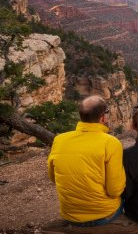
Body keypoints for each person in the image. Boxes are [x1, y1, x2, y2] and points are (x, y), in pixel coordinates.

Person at [48, 95, 126, 226]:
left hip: (70, 215)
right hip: (103, 215)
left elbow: (53, 177)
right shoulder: (111, 143)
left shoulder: (59, 140)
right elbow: (115, 190)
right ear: (103, 117)